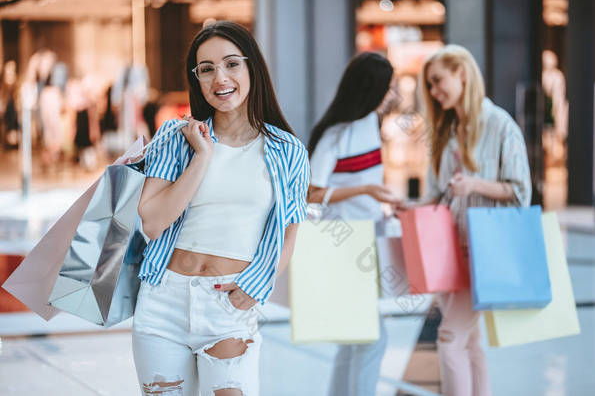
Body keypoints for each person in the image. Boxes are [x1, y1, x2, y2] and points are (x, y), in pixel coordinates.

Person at [134, 21, 310, 396]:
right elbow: (151, 222)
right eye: (207, 69)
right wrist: (201, 158)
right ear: (196, 78)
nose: (220, 78)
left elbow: (289, 231)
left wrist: (258, 285)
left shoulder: (287, 150)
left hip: (227, 304)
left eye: (231, 64)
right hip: (164, 299)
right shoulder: (176, 137)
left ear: (252, 68)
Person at [417, 44, 531, 396]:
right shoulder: (448, 130)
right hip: (450, 250)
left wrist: (474, 185)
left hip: (484, 251)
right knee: (469, 341)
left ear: (462, 74)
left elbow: (520, 192)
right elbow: (437, 193)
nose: (434, 93)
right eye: (431, 87)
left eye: (438, 82)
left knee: (450, 338)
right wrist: (412, 208)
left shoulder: (500, 126)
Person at [307, 52, 403, 396]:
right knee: (370, 339)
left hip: (368, 238)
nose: (390, 95)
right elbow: (310, 192)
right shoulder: (339, 130)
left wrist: (381, 201)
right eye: (387, 87)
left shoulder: (368, 125)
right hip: (344, 244)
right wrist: (365, 189)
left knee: (355, 340)